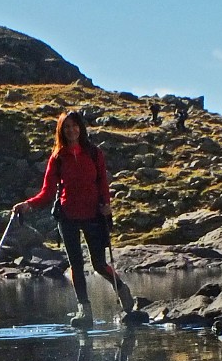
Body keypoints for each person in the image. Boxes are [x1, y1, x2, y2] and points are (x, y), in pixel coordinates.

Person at [14, 110, 135, 326]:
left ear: (81, 127)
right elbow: (47, 192)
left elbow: (102, 184)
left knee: (98, 264)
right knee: (76, 265)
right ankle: (84, 310)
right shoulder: (58, 158)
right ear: (61, 131)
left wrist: (106, 206)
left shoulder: (94, 153)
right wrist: (28, 205)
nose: (71, 130)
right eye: (66, 127)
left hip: (94, 214)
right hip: (67, 215)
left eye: (74, 125)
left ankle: (122, 290)